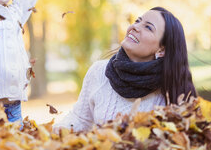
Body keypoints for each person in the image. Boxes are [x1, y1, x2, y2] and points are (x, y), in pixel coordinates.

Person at [54, 7, 196, 132]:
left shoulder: (172, 91)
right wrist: (57, 132)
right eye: (137, 21)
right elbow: (80, 119)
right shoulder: (99, 71)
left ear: (162, 50)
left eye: (148, 27)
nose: (135, 27)